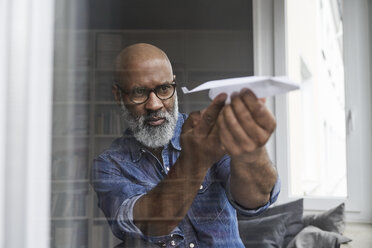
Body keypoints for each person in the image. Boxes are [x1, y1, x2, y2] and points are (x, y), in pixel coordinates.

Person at [91, 43, 280, 247]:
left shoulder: (208, 132)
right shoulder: (108, 165)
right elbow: (148, 224)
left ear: (174, 85)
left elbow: (255, 201)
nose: (154, 105)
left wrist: (251, 150)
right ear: (118, 95)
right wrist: (195, 160)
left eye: (164, 89)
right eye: (139, 92)